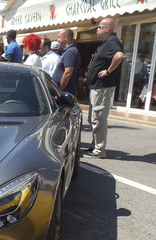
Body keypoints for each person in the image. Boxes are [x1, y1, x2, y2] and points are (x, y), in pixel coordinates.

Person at [84, 17, 125, 158]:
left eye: (100, 27)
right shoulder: (106, 42)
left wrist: (108, 71)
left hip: (102, 87)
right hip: (97, 86)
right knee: (93, 118)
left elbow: (119, 56)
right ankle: (95, 145)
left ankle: (99, 150)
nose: (97, 29)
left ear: (108, 28)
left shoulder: (112, 41)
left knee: (98, 118)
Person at [52, 29, 81, 94]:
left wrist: (59, 90)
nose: (58, 40)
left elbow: (68, 73)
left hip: (65, 92)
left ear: (66, 37)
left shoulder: (70, 52)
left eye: (59, 37)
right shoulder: (69, 51)